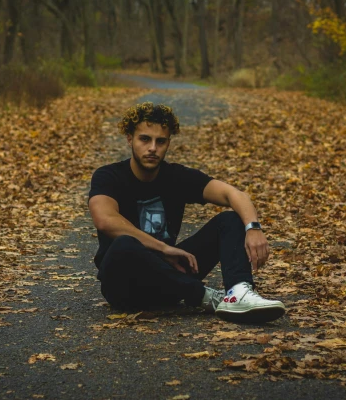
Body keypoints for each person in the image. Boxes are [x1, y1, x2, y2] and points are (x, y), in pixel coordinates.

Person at [88, 102, 285, 323]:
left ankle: (239, 293)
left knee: (229, 220)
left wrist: (253, 228)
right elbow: (105, 219)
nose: (152, 148)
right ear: (129, 139)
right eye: (145, 139)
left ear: (168, 143)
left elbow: (233, 195)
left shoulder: (177, 177)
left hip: (170, 282)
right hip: (125, 286)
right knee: (124, 244)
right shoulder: (109, 176)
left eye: (160, 141)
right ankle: (207, 297)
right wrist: (164, 248)